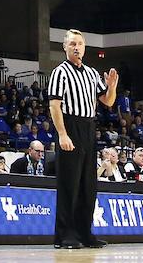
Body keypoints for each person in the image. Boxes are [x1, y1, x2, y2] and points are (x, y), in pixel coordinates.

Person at [48, 29, 118, 249]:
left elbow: (107, 101)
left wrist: (112, 87)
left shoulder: (91, 72)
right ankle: (64, 235)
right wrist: (62, 133)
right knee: (69, 183)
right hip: (70, 125)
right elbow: (54, 105)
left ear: (85, 47)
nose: (76, 47)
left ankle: (84, 232)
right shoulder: (60, 72)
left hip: (89, 126)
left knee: (88, 184)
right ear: (65, 48)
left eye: (79, 44)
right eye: (72, 44)